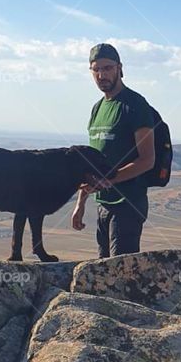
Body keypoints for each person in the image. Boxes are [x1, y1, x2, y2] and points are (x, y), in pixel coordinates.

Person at [71, 42, 155, 256]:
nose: (101, 75)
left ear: (120, 68)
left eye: (107, 68)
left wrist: (109, 180)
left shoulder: (135, 105)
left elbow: (147, 160)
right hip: (103, 203)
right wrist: (80, 203)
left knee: (120, 272)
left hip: (128, 203)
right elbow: (91, 162)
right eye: (96, 69)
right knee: (102, 268)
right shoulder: (98, 108)